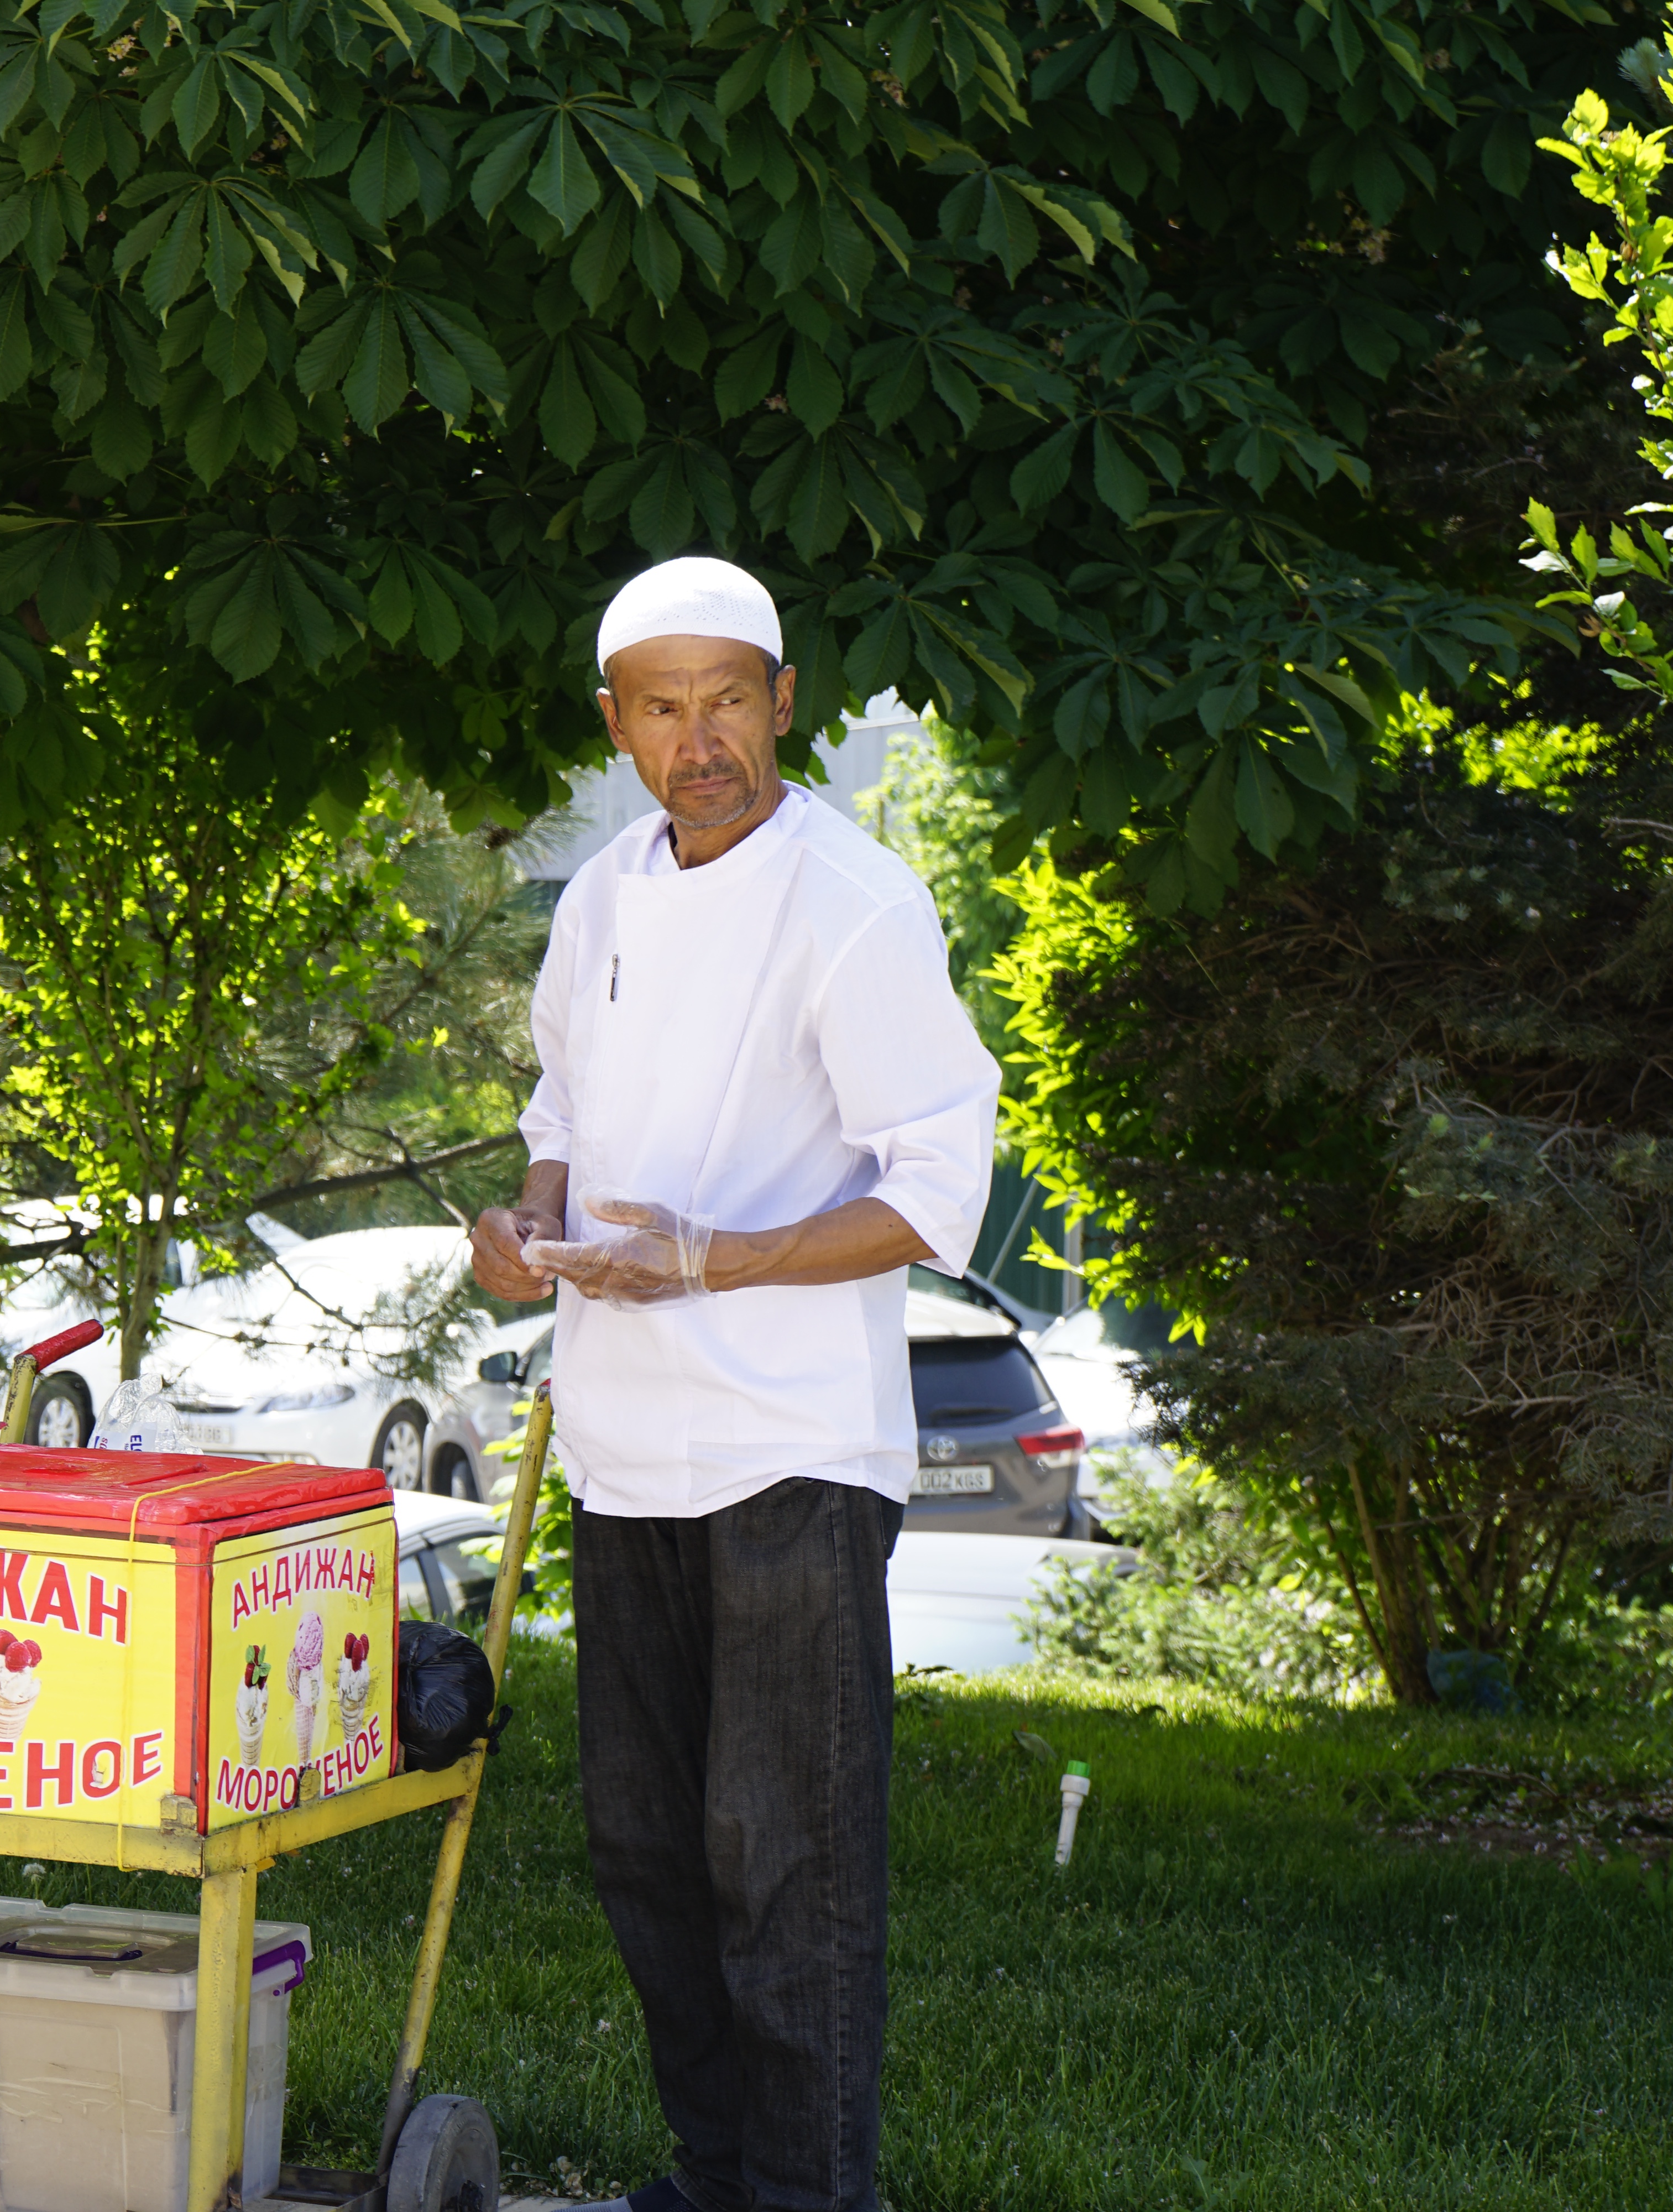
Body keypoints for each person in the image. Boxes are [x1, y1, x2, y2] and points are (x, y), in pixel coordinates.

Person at [472, 557, 1000, 2212]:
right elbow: (560, 1108)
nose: (701, 740)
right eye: (662, 705)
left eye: (730, 699)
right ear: (617, 724)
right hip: (621, 1449)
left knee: (790, 1871)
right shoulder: (603, 896)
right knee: (647, 1856)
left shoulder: (856, 904)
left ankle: (808, 2199)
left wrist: (719, 1261)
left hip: (791, 1450)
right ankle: (716, 2182)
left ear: (785, 702)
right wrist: (524, 1226)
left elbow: (934, 1186)